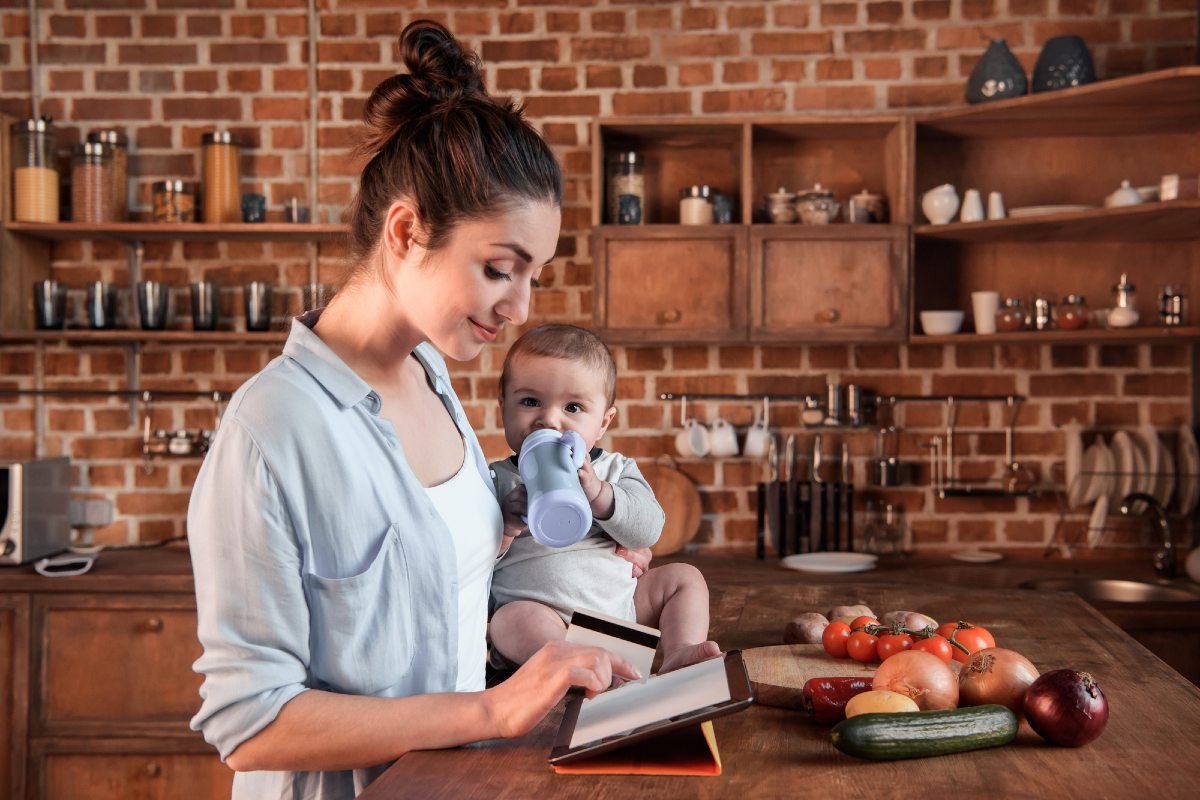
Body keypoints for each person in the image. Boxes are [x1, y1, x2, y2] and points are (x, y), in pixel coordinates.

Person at [186, 21, 643, 799]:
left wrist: (592, 549)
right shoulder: (272, 431)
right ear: (406, 231)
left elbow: (446, 583)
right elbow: (250, 725)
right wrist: (491, 710)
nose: (520, 305)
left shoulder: (434, 375)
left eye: (533, 275)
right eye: (501, 269)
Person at [488, 324, 720, 673]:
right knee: (510, 620)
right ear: (503, 405)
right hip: (547, 629)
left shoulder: (615, 470)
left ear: (604, 422)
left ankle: (677, 653)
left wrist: (599, 495)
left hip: (620, 614)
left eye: (574, 407)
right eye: (530, 401)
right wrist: (504, 527)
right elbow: (470, 561)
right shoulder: (495, 480)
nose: (550, 420)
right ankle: (574, 668)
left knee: (685, 579)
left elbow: (648, 530)